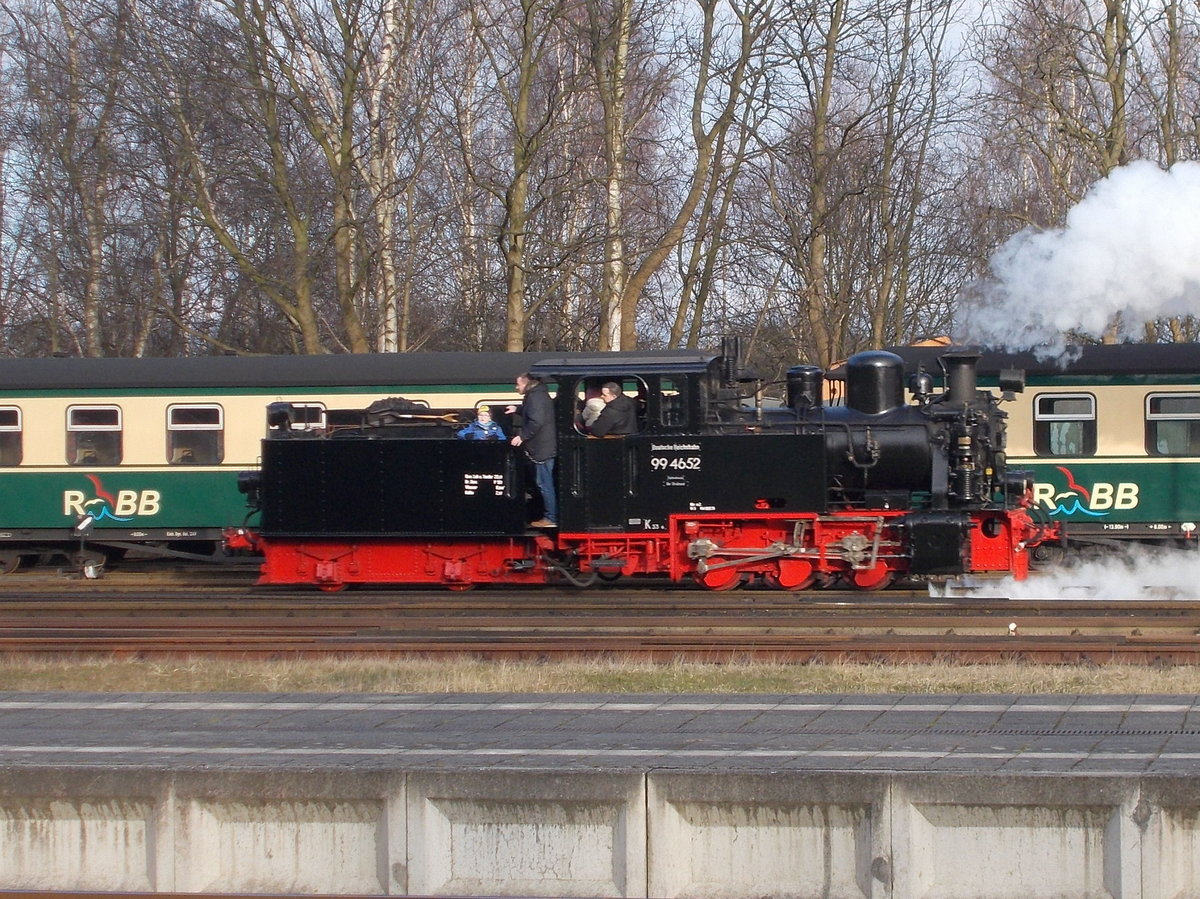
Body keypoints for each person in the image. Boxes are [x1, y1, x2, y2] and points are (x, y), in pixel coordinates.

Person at [506, 372, 557, 528]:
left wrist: (522, 436)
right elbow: (532, 412)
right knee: (543, 482)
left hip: (542, 448)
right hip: (543, 446)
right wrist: (517, 409)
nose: (516, 387)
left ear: (526, 384)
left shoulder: (535, 397)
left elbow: (536, 421)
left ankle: (551, 517)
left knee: (544, 483)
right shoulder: (537, 395)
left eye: (518, 384)